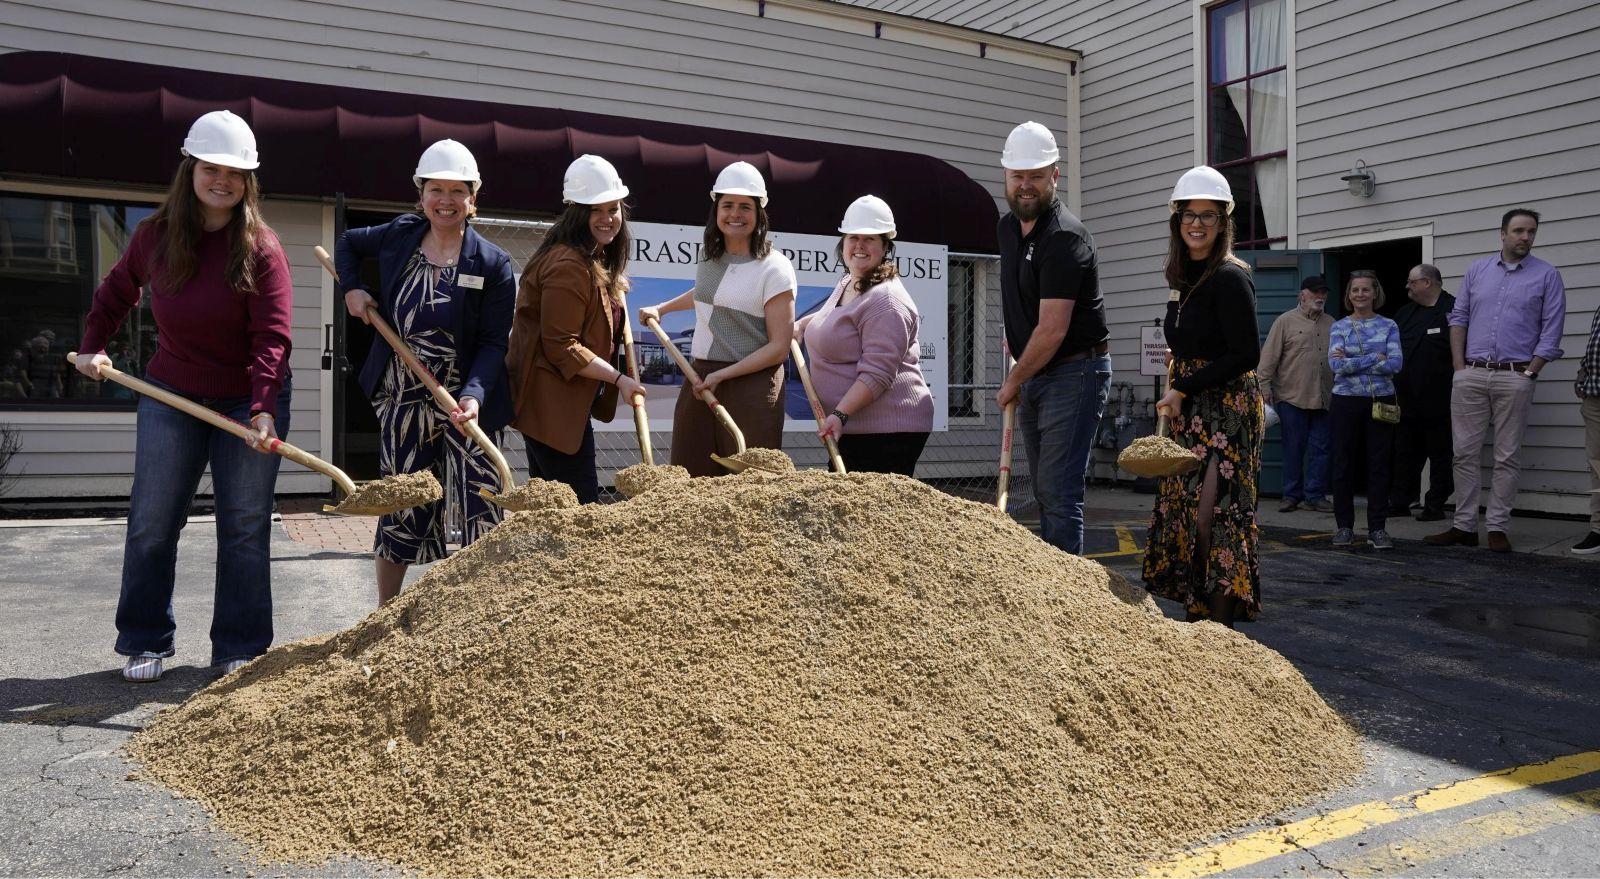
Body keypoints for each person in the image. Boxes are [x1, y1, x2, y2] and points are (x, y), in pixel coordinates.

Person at [72, 110, 293, 682]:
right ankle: (146, 639)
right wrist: (94, 345)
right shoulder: (155, 237)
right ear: (191, 168)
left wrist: (266, 406)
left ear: (248, 182)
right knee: (153, 519)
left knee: (244, 526)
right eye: (212, 168)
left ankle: (239, 648)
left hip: (247, 400)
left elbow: (272, 337)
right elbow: (116, 291)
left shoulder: (262, 249)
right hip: (170, 392)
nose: (223, 180)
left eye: (235, 172)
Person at [334, 139, 515, 602]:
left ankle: (478, 616)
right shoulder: (399, 235)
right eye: (437, 189)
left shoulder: (493, 265)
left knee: (484, 504)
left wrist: (474, 394)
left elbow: (495, 343)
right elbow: (347, 243)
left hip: (467, 403)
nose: (446, 201)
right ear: (421, 194)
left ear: (473, 198)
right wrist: (353, 290)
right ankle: (386, 612)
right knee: (404, 505)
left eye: (458, 191)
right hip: (404, 397)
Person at [1141, 166, 1262, 626]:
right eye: (1189, 214)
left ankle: (1220, 630)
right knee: (1189, 514)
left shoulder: (1231, 276)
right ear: (1177, 219)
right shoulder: (1185, 274)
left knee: (1217, 512)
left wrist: (1184, 385)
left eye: (1208, 216)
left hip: (1226, 408)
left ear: (1223, 221)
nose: (1197, 224)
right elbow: (1188, 337)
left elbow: (1246, 354)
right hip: (1190, 406)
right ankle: (1199, 620)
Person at [995, 121, 1112, 555]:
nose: (1026, 185)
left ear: (1054, 176)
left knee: (1059, 492)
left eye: (1036, 176)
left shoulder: (1065, 237)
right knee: (1046, 490)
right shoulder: (1007, 229)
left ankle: (1068, 602)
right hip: (1037, 370)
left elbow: (1053, 329)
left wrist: (1013, 380)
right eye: (1018, 175)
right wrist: (1017, 352)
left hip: (1075, 371)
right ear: (1005, 176)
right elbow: (1019, 303)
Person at [637, 161, 796, 477]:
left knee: (749, 489)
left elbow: (779, 348)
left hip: (752, 385)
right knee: (689, 474)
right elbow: (707, 293)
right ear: (716, 210)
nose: (735, 214)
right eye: (728, 205)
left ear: (758, 214)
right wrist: (663, 308)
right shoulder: (710, 258)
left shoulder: (775, 268)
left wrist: (724, 376)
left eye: (745, 207)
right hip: (702, 376)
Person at [506, 155, 646, 502]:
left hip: (556, 407)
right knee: (579, 508)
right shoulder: (569, 264)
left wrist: (610, 285)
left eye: (613, 209)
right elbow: (562, 346)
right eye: (595, 210)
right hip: (551, 409)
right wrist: (620, 379)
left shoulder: (586, 260)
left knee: (553, 510)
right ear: (576, 212)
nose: (607, 218)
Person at [1426, 209, 1567, 553]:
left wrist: (1531, 372)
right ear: (1502, 234)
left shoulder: (1547, 276)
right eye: (1518, 231)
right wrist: (1459, 367)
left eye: (1531, 231)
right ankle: (1463, 525)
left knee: (1507, 456)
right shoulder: (1478, 270)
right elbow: (1458, 317)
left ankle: (1498, 528)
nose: (1525, 237)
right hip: (1471, 374)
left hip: (1515, 375)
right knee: (1464, 453)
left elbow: (1551, 330)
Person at [796, 195, 933, 475]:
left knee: (872, 515)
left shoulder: (887, 301)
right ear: (843, 244)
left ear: (885, 247)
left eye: (869, 239)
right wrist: (801, 325)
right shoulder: (850, 281)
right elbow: (833, 319)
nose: (859, 245)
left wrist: (840, 415)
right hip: (852, 428)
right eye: (852, 237)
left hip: (886, 432)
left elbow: (877, 374)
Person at [1327, 271, 1402, 550]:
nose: (1360, 294)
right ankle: (1344, 527)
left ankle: (1377, 529)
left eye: (1365, 290)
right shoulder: (1339, 327)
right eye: (1355, 290)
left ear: (1375, 293)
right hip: (1345, 401)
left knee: (1379, 465)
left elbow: (1395, 364)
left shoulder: (1389, 325)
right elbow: (1336, 366)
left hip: (1380, 400)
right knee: (1343, 464)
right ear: (1349, 295)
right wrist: (1374, 358)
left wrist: (1353, 360)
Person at [1257, 275, 1333, 513]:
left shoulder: (1333, 323)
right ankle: (1291, 495)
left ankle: (1315, 495)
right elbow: (1267, 360)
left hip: (1324, 398)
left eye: (1323, 292)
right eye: (1314, 292)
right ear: (1302, 294)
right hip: (1292, 397)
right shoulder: (1285, 322)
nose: (1319, 296)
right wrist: (1264, 390)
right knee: (1293, 448)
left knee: (1321, 449)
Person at [1390, 264, 1455, 521]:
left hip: (1440, 399)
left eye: (1412, 282)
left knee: (1440, 453)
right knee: (1404, 452)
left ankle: (1435, 505)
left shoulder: (1454, 310)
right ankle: (1399, 502)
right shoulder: (1405, 314)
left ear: (1427, 283)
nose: (1407, 286)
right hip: (1406, 398)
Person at [1573, 306, 1600, 555]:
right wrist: (1582, 375)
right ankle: (1599, 529)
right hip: (1594, 396)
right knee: (1597, 464)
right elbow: (1594, 347)